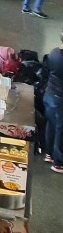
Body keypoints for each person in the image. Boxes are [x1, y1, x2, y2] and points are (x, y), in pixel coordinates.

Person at [43, 31, 63, 173]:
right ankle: (59, 162)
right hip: (61, 99)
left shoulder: (54, 53)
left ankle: (49, 153)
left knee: (51, 124)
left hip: (50, 93)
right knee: (61, 129)